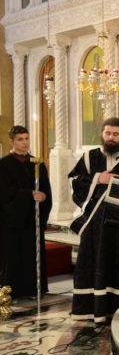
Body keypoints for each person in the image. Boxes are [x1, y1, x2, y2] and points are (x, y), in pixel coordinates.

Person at [69, 117, 119, 323]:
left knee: (118, 265)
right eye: (108, 133)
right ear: (102, 134)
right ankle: (89, 309)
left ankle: (115, 309)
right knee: (90, 264)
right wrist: (98, 178)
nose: (111, 138)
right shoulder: (90, 157)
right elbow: (75, 181)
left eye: (116, 134)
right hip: (93, 225)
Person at [0, 126, 52, 298]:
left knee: (32, 256)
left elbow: (46, 189)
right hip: (13, 220)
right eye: (20, 139)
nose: (25, 143)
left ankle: (34, 289)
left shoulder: (37, 162)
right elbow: (4, 192)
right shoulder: (4, 164)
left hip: (32, 219)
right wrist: (29, 194)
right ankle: (11, 291)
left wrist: (43, 198)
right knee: (13, 255)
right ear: (12, 141)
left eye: (27, 138)